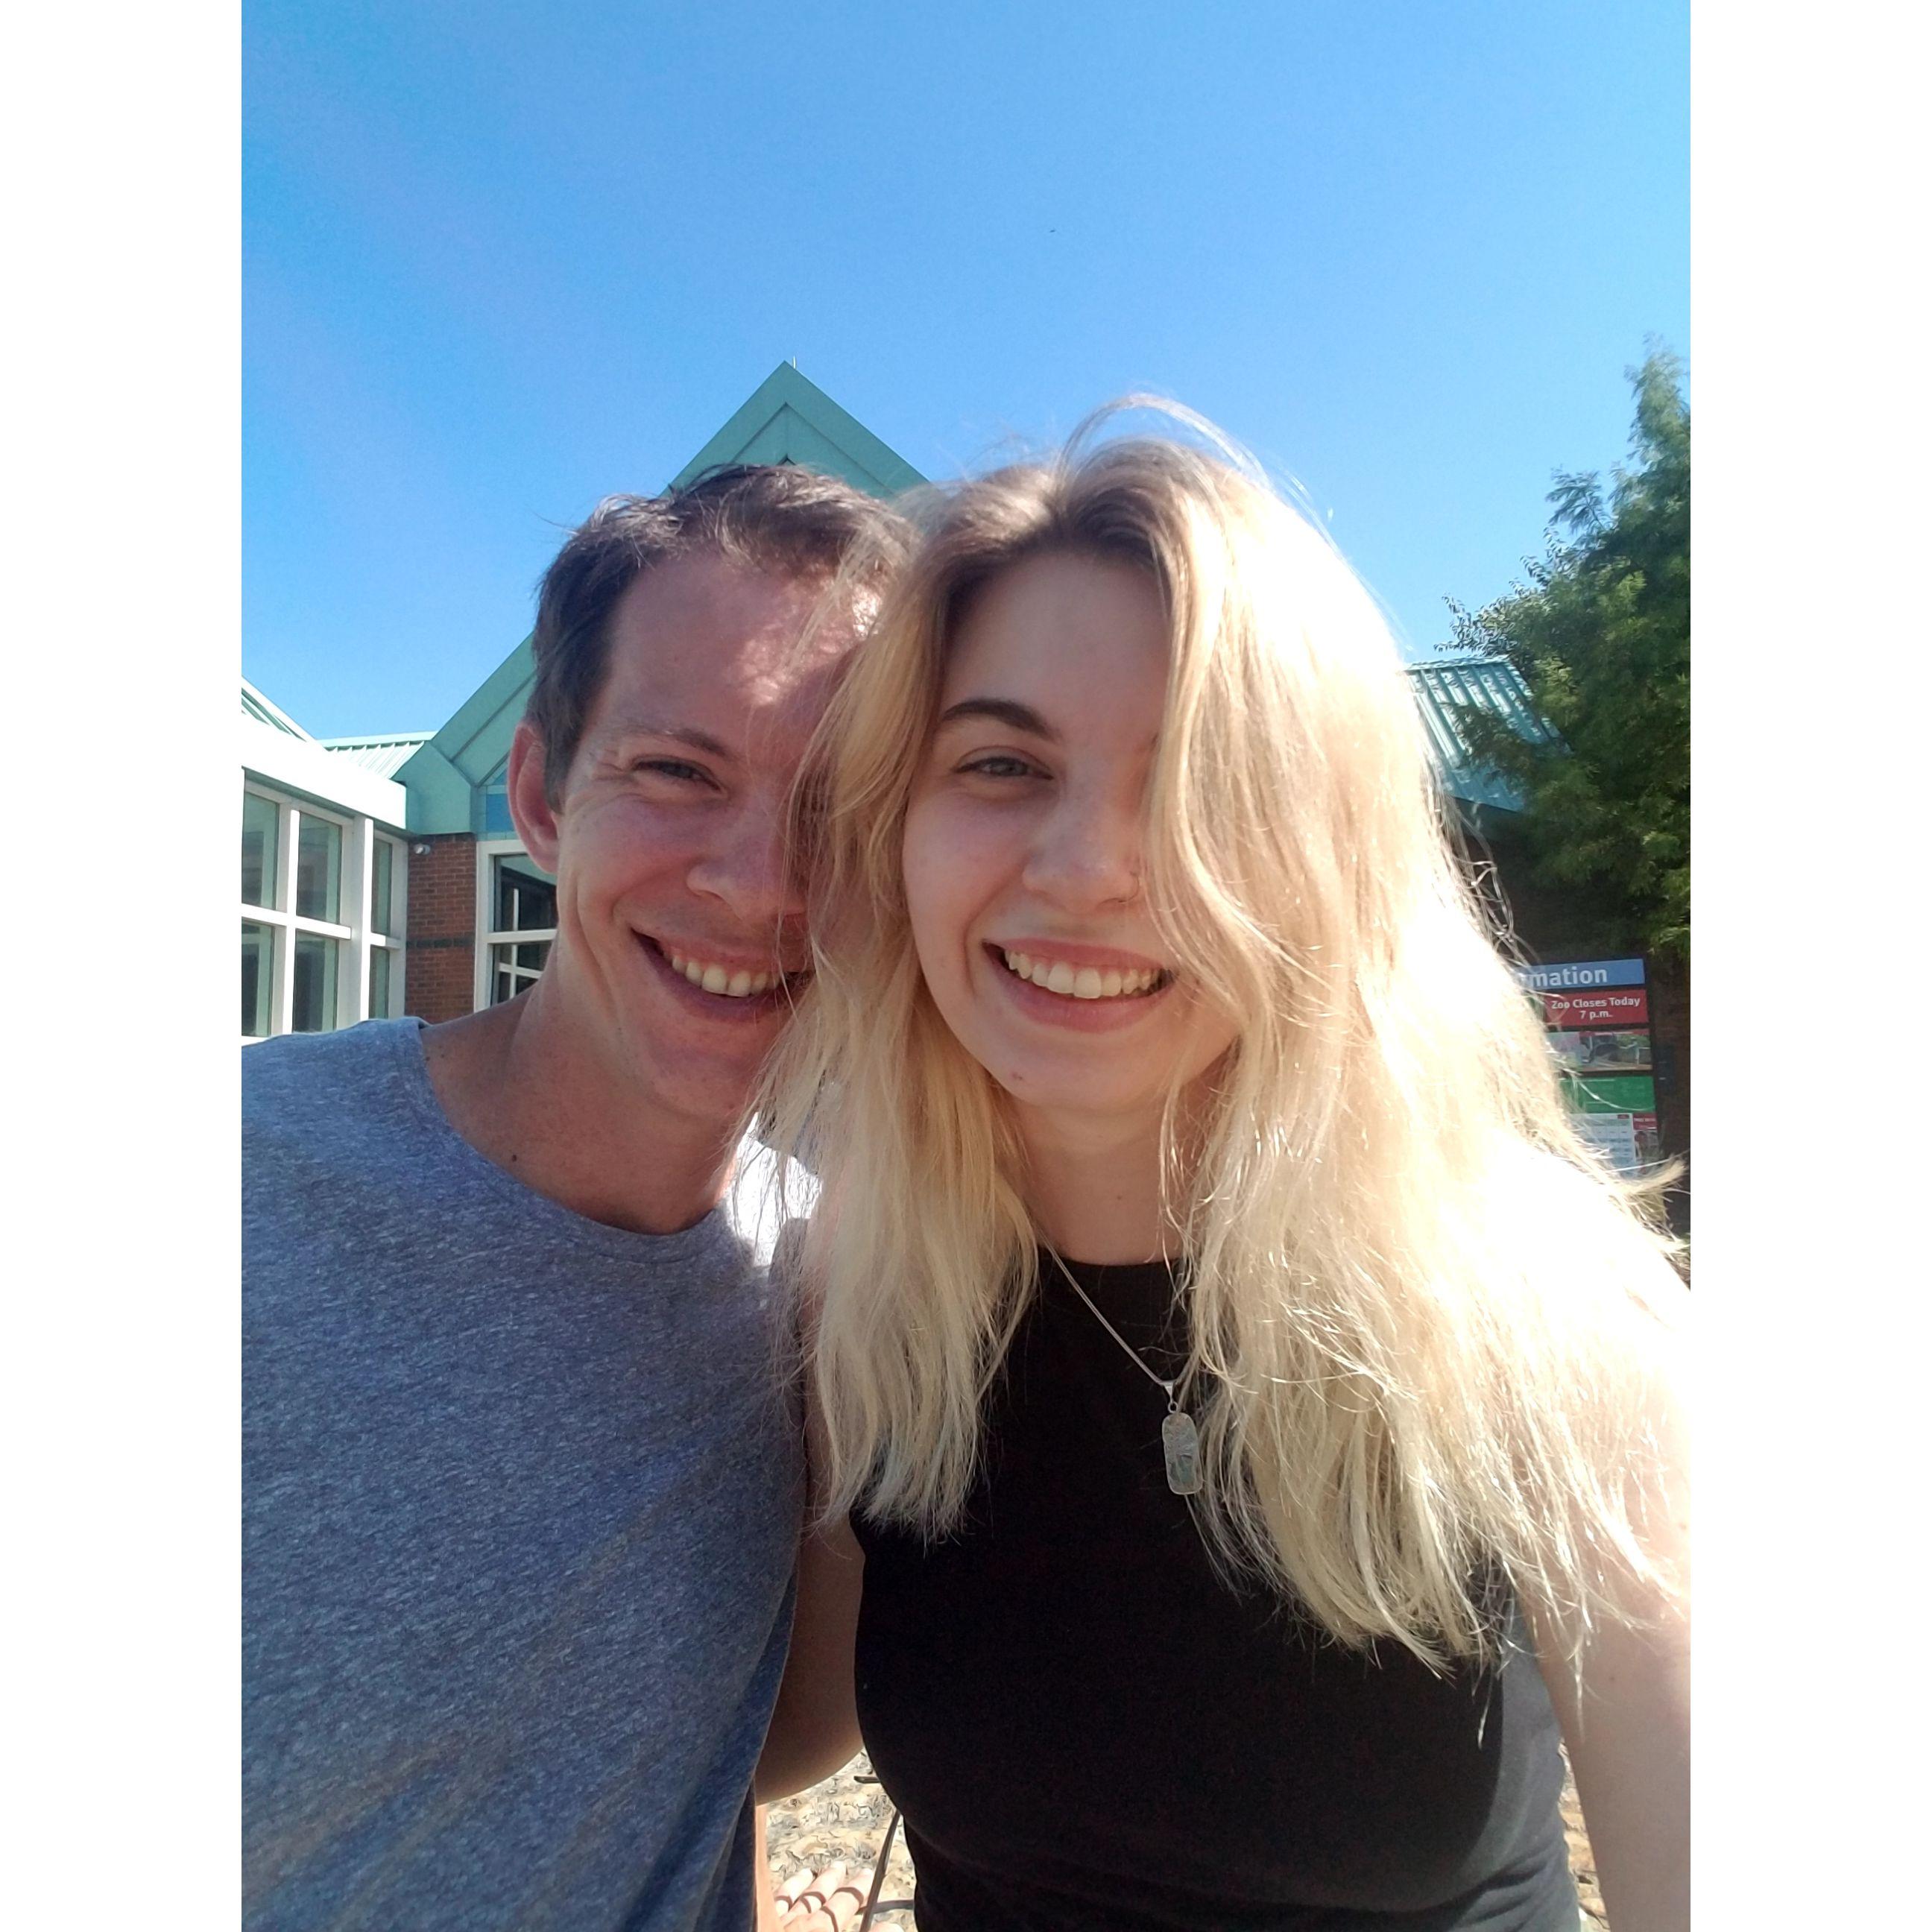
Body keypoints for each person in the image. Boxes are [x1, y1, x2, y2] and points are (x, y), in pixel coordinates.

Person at [757, 417, 1692, 1932]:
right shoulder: (868, 1287)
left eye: (1205, 779)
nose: (1087, 866)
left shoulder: (1542, 1304)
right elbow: (770, 1742)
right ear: (898, 830)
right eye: (1001, 763)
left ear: (1335, 857)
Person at [243, 464, 906, 1932]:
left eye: (840, 806)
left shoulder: (816, 1288)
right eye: (679, 772)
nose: (763, 885)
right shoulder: (239, 1185)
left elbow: (736, 1747)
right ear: (542, 798)